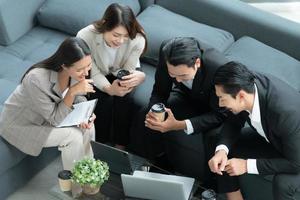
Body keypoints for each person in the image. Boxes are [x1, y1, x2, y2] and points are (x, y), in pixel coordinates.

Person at [136, 37, 228, 177]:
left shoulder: (220, 68)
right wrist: (154, 111)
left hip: (215, 108)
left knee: (213, 140)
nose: (177, 80)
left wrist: (179, 125)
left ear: (197, 63)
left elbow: (220, 114)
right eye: (173, 75)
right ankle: (157, 163)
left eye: (183, 75)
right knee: (147, 116)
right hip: (186, 96)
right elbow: (160, 91)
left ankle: (208, 188)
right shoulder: (167, 50)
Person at [0, 37, 96, 170]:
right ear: (64, 66)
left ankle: (90, 174)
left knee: (88, 127)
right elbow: (55, 119)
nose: (86, 73)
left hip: (49, 115)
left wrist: (86, 114)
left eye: (89, 66)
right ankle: (77, 187)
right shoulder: (36, 79)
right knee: (73, 136)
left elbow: (79, 98)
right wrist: (72, 92)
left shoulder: (76, 72)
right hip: (21, 125)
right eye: (80, 69)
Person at [208, 61, 300, 200]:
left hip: (296, 154)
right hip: (275, 138)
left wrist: (246, 165)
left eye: (222, 98)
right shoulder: (245, 86)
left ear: (241, 96)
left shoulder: (285, 113)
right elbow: (233, 123)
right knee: (220, 143)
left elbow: (296, 163)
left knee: (283, 183)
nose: (220, 104)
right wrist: (222, 151)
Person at [77, 3, 147, 149]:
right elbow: (93, 70)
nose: (120, 41)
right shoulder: (85, 36)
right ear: (104, 25)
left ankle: (121, 145)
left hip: (123, 68)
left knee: (126, 98)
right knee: (101, 99)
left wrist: (124, 83)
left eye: (125, 36)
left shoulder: (138, 39)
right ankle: (100, 144)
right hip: (95, 69)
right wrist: (109, 88)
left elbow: (128, 68)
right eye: (116, 35)